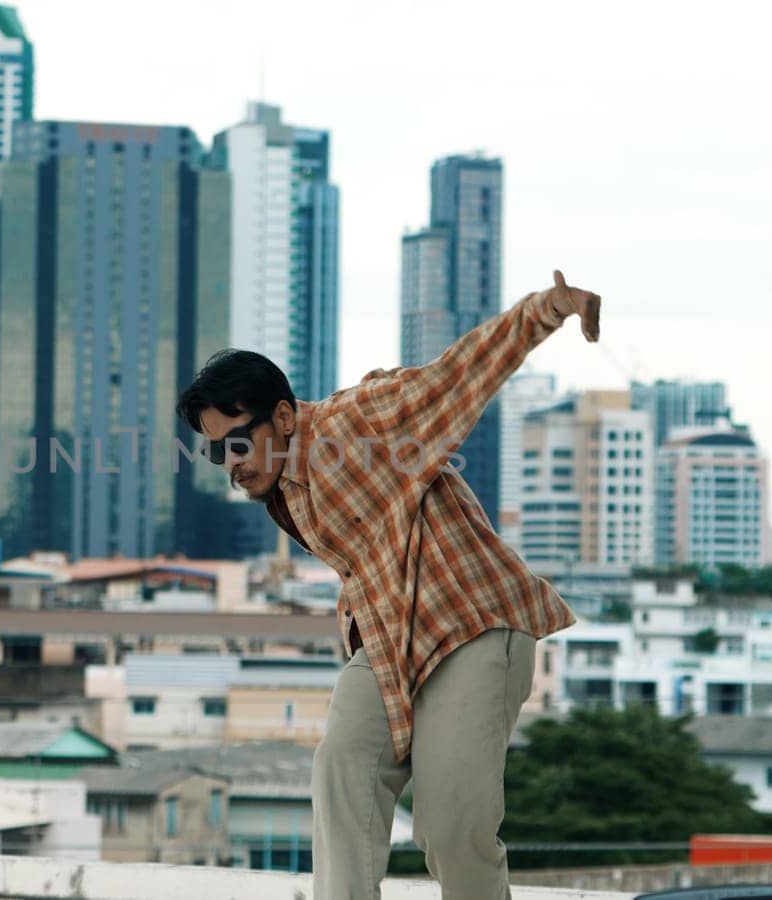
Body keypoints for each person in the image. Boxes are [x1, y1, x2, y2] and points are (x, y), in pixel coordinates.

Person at [175, 270, 602, 899]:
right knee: (342, 768)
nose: (232, 464)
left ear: (285, 417)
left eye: (239, 442)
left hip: (471, 626)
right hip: (387, 636)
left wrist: (546, 309)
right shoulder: (283, 491)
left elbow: (458, 374)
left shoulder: (360, 424)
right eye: (217, 453)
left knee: (451, 830)